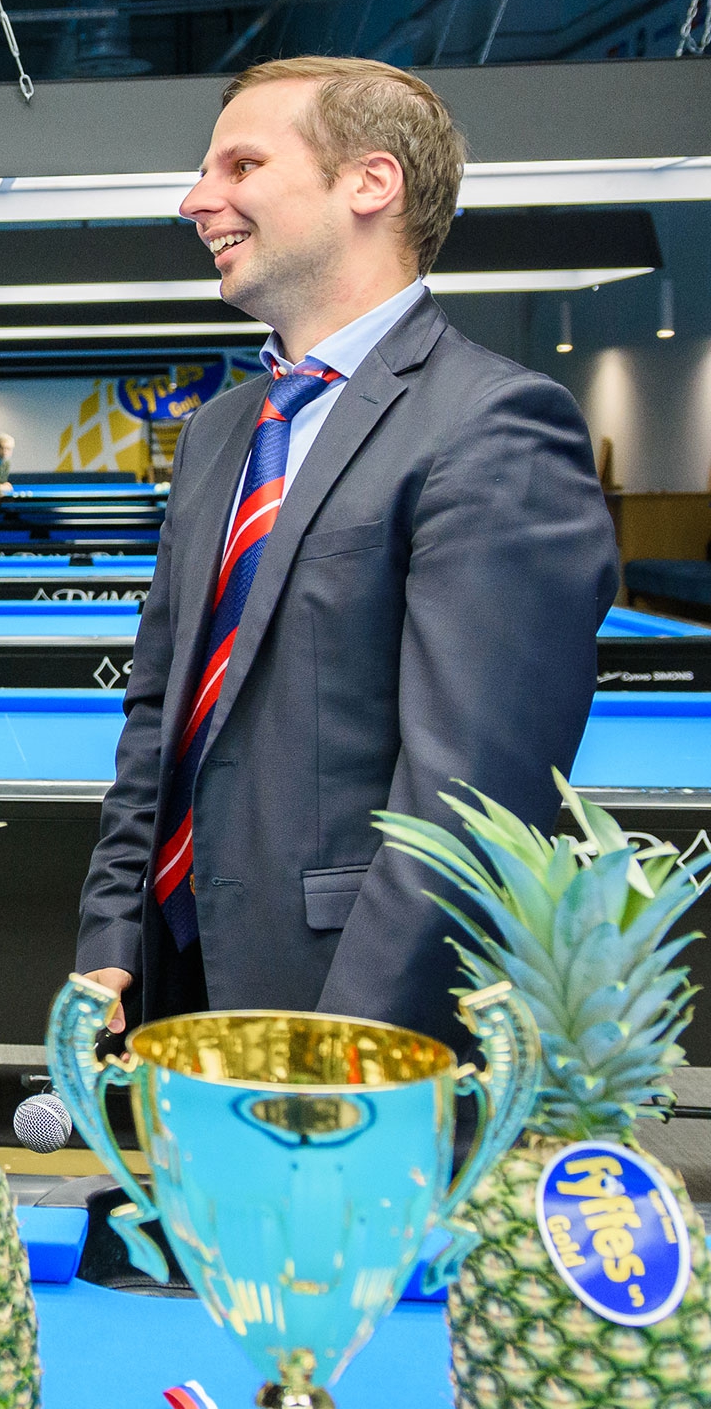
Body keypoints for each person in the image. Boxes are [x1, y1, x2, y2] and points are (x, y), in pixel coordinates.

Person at [74, 57, 616, 1050]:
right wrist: (113, 932)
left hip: (350, 1010)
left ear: (370, 183)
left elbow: (471, 802)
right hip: (175, 974)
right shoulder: (220, 432)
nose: (196, 200)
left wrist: (345, 1058)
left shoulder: (495, 425)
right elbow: (160, 712)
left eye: (241, 166)